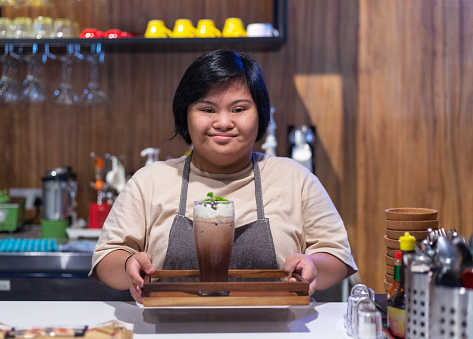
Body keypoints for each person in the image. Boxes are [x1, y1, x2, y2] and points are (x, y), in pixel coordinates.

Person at [90, 49, 357, 303]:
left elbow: (337, 256)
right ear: (186, 115)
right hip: (169, 328)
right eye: (207, 110)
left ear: (260, 114)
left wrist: (313, 266)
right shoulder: (149, 181)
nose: (224, 122)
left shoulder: (295, 179)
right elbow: (105, 259)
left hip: (274, 330)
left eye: (239, 109)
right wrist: (127, 265)